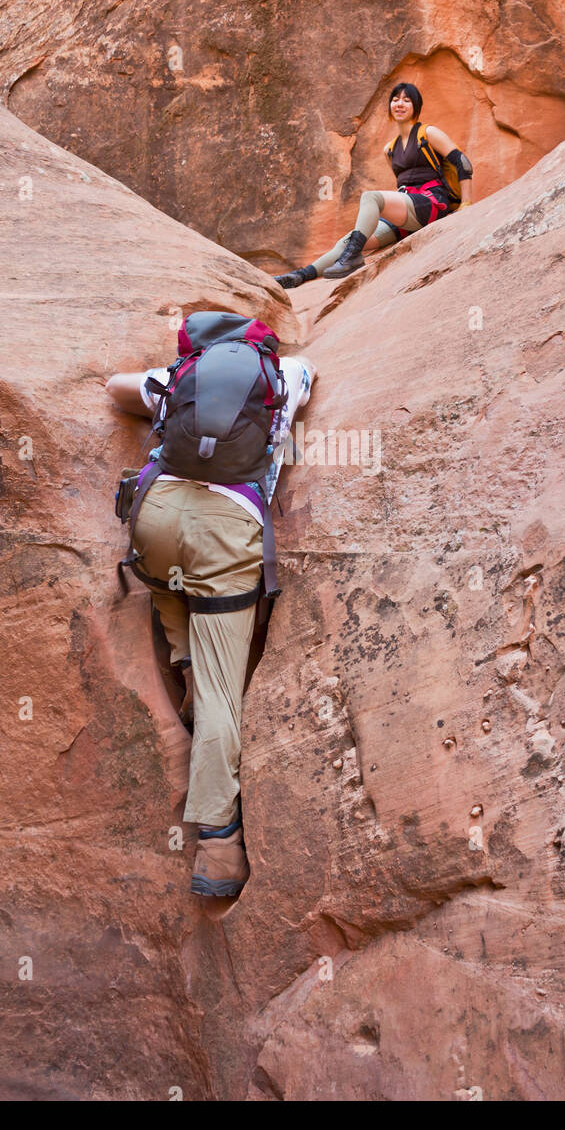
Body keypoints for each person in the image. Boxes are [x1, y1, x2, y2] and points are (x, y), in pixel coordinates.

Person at [106, 325, 316, 898]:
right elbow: (308, 380)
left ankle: (201, 731)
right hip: (223, 529)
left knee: (192, 657)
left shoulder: (177, 378)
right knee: (225, 690)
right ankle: (218, 848)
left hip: (156, 519)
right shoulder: (283, 374)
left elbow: (114, 387)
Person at [276, 82, 474, 288]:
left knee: (371, 198)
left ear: (416, 106)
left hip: (432, 203)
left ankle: (352, 258)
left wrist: (466, 204)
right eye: (395, 99)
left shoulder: (428, 133)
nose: (400, 103)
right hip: (409, 212)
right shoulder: (390, 149)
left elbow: (463, 163)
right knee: (348, 240)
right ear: (389, 105)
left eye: (407, 100)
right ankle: (300, 276)